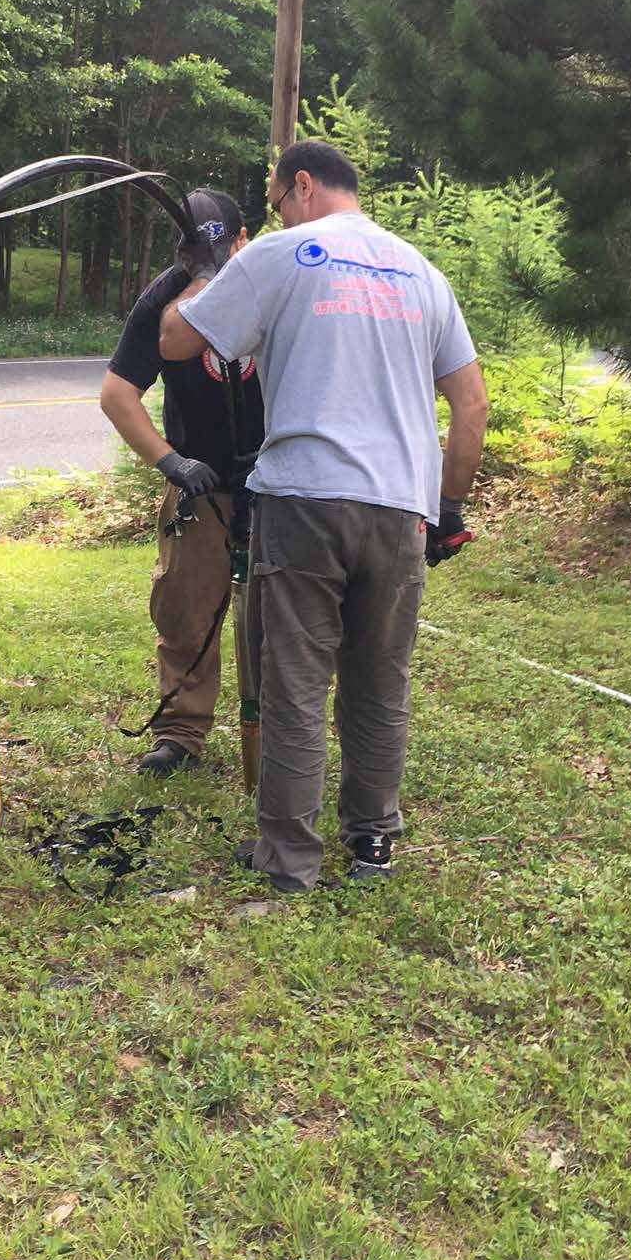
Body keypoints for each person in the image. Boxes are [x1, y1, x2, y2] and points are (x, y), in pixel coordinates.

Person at [158, 140, 488, 891]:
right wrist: (448, 507)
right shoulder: (422, 272)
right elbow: (470, 405)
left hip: (304, 500)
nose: (275, 212)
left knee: (295, 683)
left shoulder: (281, 254)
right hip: (400, 508)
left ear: (300, 186)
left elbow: (177, 338)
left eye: (275, 200)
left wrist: (203, 268)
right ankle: (372, 844)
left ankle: (290, 860)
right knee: (379, 683)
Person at [100, 187, 267, 776]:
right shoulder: (165, 300)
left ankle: (276, 731)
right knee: (185, 614)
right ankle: (181, 733)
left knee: (280, 614)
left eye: (218, 250)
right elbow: (118, 396)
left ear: (244, 238)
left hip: (275, 485)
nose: (208, 265)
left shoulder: (275, 283)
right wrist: (171, 462)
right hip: (198, 487)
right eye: (196, 256)